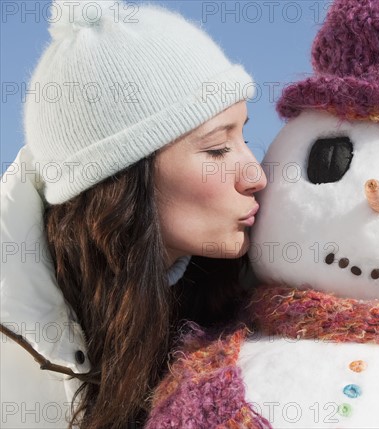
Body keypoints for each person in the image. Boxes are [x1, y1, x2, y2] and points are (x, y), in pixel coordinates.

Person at [0, 1, 267, 428]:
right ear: (123, 179)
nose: (256, 175)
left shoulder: (263, 301)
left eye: (245, 135)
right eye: (218, 149)